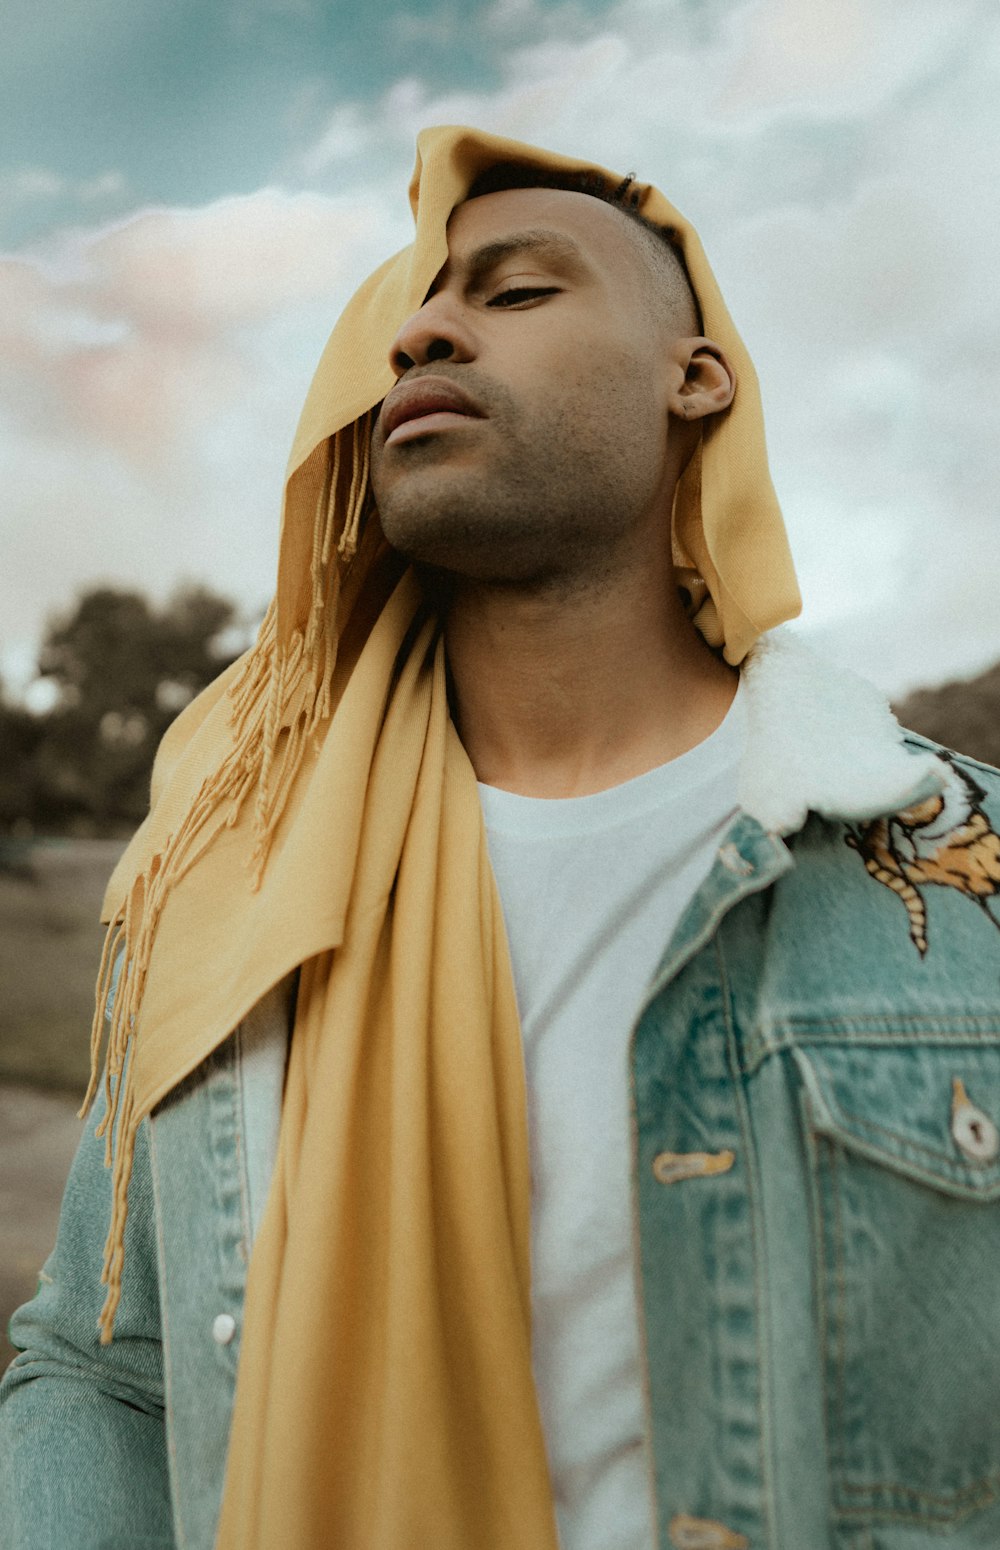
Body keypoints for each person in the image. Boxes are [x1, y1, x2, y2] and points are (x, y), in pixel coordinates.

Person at [2, 124, 1000, 1550]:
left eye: (517, 291)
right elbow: (101, 1370)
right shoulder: (215, 872)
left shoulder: (967, 874)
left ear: (695, 379)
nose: (418, 334)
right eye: (414, 313)